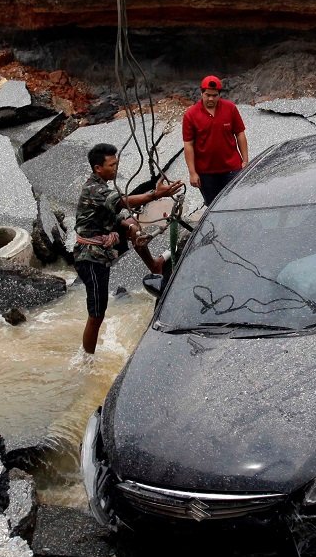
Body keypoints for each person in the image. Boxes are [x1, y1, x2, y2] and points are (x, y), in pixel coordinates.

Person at [74, 144, 182, 354]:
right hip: (90, 257)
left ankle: (154, 264)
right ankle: (87, 359)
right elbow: (123, 202)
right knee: (96, 314)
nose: (116, 168)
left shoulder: (101, 184)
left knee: (132, 223)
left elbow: (114, 215)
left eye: (116, 163)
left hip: (102, 249)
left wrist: (130, 227)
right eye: (112, 164)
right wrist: (155, 195)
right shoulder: (94, 189)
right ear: (98, 168)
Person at [181, 76, 248, 207]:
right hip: (206, 173)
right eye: (207, 95)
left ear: (219, 94)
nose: (211, 98)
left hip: (232, 168)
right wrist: (192, 172)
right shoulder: (191, 114)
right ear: (201, 93)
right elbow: (188, 144)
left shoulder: (230, 108)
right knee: (213, 207)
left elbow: (240, 133)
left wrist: (245, 160)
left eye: (214, 95)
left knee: (236, 203)